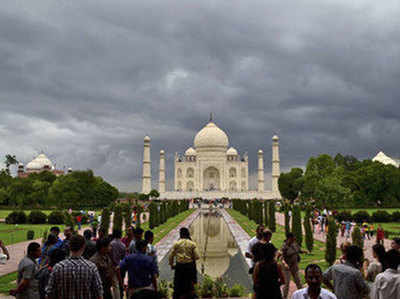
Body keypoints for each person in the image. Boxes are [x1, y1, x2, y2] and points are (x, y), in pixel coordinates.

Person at [45, 235, 104, 299]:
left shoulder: (58, 267)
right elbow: (99, 293)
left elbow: (49, 293)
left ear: (69, 246)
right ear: (83, 247)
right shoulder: (91, 267)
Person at [169, 227, 200, 299]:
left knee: (178, 284)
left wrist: (172, 265)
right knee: (190, 284)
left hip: (179, 266)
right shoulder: (192, 244)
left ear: (180, 234)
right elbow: (197, 257)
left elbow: (171, 256)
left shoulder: (177, 244)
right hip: (189, 267)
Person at [281, 232, 303, 298]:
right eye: (293, 238)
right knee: (287, 283)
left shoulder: (294, 244)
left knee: (298, 281)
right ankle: (284, 296)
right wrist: (285, 264)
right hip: (287, 268)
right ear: (289, 238)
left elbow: (299, 250)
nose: (294, 239)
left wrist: (304, 251)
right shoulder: (284, 246)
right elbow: (281, 257)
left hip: (294, 267)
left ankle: (302, 295)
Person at [110, 229, 126, 299]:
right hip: (120, 266)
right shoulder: (123, 245)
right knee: (120, 282)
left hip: (111, 266)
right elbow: (123, 258)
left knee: (114, 285)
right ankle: (121, 295)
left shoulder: (110, 244)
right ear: (120, 235)